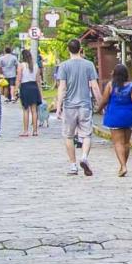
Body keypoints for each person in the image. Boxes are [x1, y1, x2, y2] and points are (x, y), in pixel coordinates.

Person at [55, 39, 102, 176]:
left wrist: (59, 106)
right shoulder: (89, 65)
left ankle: (73, 165)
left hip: (69, 106)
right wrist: (100, 103)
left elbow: (62, 87)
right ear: (80, 48)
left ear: (68, 49)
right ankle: (84, 157)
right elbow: (94, 86)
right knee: (86, 134)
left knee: (69, 136)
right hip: (85, 105)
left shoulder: (64, 66)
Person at [98, 64, 132, 177]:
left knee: (118, 142)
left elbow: (104, 100)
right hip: (129, 115)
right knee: (126, 142)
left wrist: (99, 110)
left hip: (114, 115)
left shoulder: (111, 85)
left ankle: (123, 166)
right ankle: (123, 165)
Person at [17, 49, 43, 137]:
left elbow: (19, 78)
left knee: (25, 110)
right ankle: (35, 131)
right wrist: (40, 92)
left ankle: (25, 131)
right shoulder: (35, 65)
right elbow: (38, 80)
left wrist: (16, 89)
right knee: (34, 110)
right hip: (34, 87)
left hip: (25, 87)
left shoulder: (21, 65)